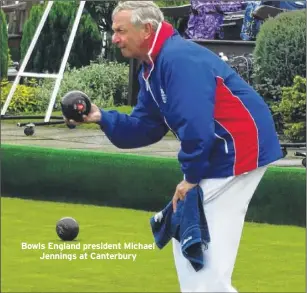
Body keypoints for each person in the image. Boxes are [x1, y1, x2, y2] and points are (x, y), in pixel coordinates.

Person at [64, 1, 283, 292]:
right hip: (223, 150)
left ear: (147, 30)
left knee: (201, 251)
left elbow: (196, 125)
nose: (114, 37)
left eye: (120, 30)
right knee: (190, 239)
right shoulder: (152, 67)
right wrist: (100, 116)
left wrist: (191, 179)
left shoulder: (177, 59)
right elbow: (145, 127)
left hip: (238, 148)